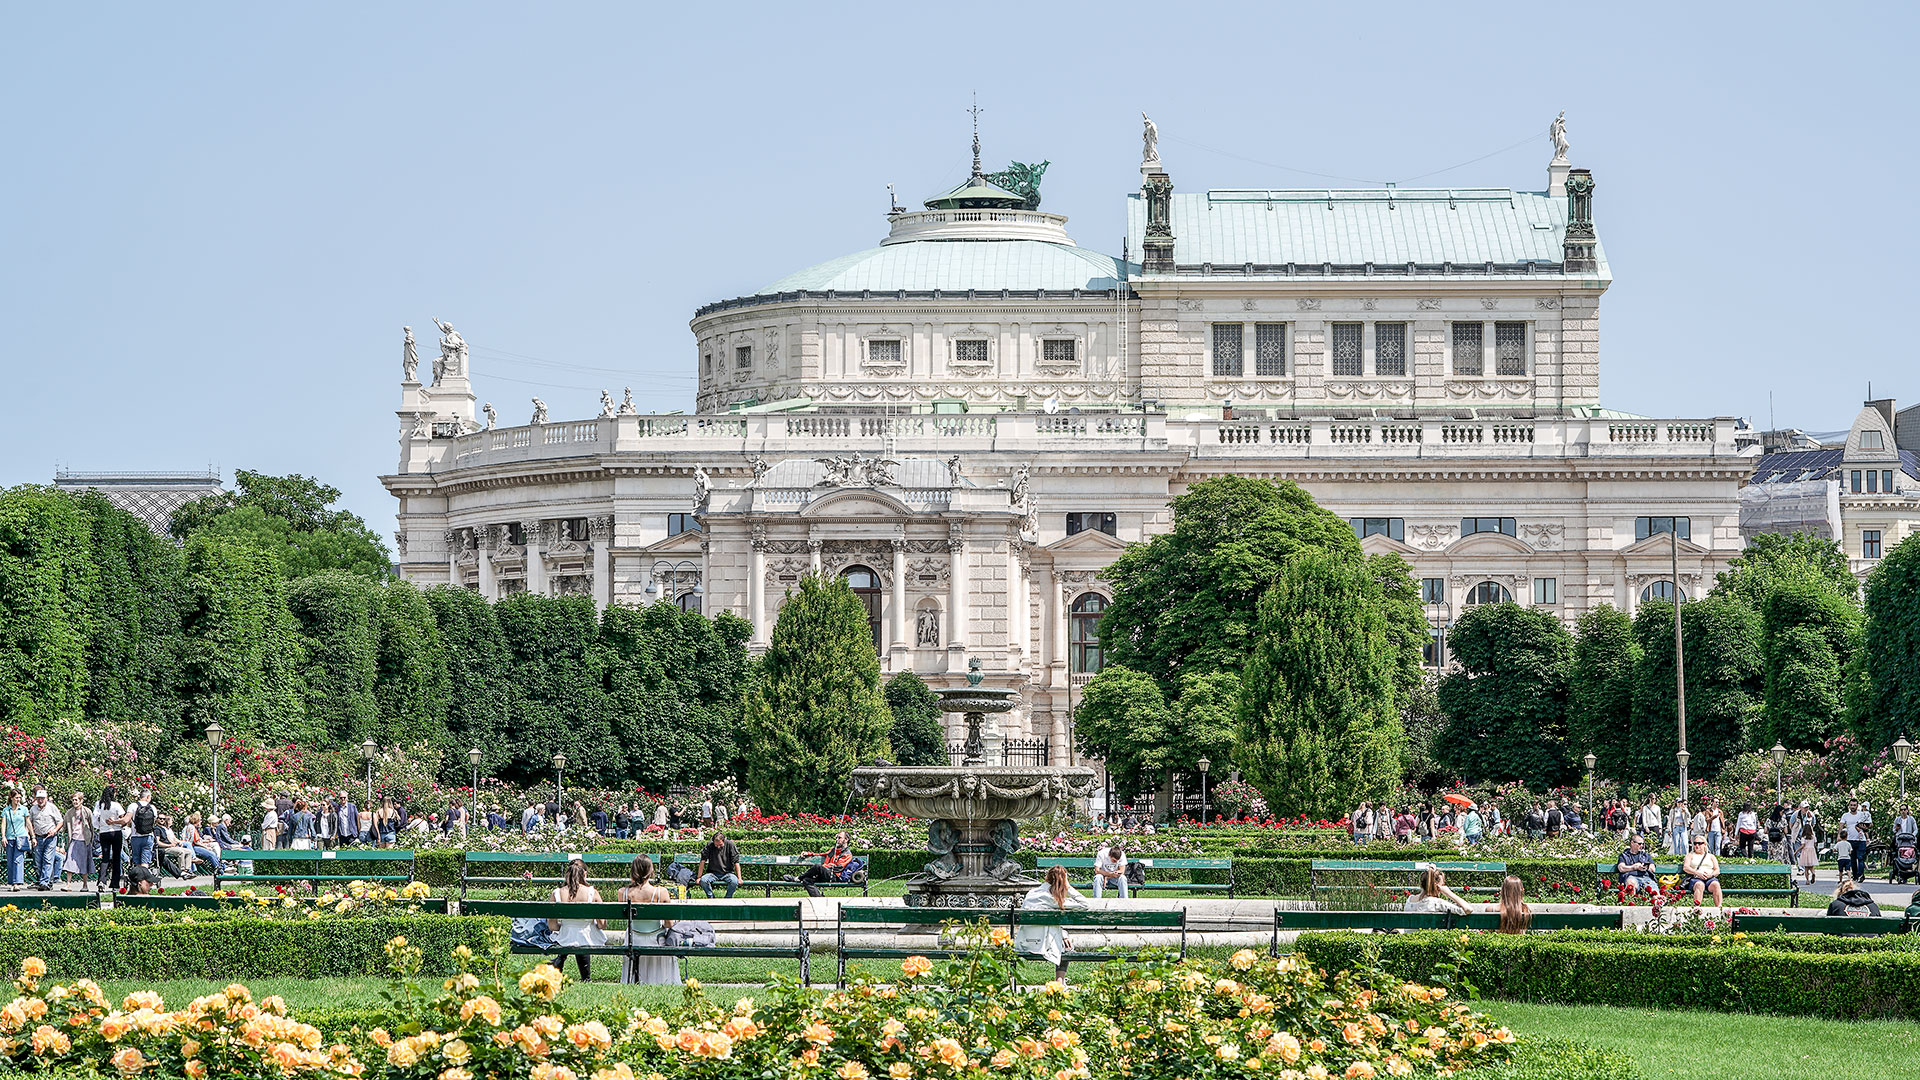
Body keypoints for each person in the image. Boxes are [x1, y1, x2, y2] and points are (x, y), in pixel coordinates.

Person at [1017, 865, 1088, 979]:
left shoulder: (1031, 893)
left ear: (1047, 877)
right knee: (1068, 948)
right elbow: (1085, 904)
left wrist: (1063, 935)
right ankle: (1059, 981)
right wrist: (1068, 887)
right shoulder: (1054, 899)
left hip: (1024, 943)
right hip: (1041, 945)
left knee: (1062, 938)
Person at [618, 855, 678, 984]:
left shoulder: (622, 893)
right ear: (651, 872)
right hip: (655, 940)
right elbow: (669, 924)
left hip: (633, 938)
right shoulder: (661, 892)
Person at [547, 858, 607, 981]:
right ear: (584, 874)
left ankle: (560, 959)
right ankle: (586, 977)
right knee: (581, 937)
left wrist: (565, 925)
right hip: (587, 937)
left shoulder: (557, 893)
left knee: (571, 936)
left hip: (565, 936)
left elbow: (552, 926)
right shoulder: (592, 892)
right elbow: (602, 924)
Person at [796, 831, 857, 898]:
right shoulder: (833, 850)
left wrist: (823, 867)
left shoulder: (847, 854)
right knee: (807, 880)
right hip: (826, 875)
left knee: (818, 866)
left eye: (839, 838)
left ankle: (799, 878)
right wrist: (808, 854)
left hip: (834, 877)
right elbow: (822, 854)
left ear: (846, 840)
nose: (837, 840)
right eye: (836, 837)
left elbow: (838, 867)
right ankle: (819, 899)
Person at [94, 787, 127, 893]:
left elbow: (95, 817)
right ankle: (115, 883)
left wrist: (100, 825)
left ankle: (102, 881)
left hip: (103, 832)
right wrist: (115, 822)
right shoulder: (116, 805)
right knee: (116, 858)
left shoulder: (99, 804)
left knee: (105, 858)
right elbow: (123, 820)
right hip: (116, 831)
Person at [27, 789, 62, 891]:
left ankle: (44, 882)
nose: (40, 800)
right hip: (38, 837)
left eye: (42, 798)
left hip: (50, 837)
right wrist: (30, 835)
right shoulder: (33, 809)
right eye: (38, 799)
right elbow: (29, 823)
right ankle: (46, 881)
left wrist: (55, 830)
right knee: (38, 861)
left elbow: (60, 821)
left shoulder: (52, 808)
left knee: (48, 859)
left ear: (46, 798)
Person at [1403, 866, 1470, 916]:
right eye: (1442, 885)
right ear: (1438, 886)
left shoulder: (1409, 900)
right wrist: (1449, 893)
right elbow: (1468, 909)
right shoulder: (1436, 903)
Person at [63, 792, 93, 888]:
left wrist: (91, 839)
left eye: (76, 800)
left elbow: (92, 825)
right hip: (74, 838)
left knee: (84, 862)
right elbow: (64, 825)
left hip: (84, 839)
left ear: (81, 800)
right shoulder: (69, 812)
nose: (74, 802)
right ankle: (68, 884)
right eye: (73, 800)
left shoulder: (87, 811)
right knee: (69, 861)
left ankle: (85, 884)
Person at [697, 830, 740, 899]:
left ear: (724, 841)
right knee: (703, 880)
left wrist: (739, 878)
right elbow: (703, 861)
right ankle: (711, 898)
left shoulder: (730, 845)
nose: (718, 847)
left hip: (727, 873)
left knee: (734, 882)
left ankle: (727, 899)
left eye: (720, 845)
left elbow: (736, 862)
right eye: (716, 845)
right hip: (713, 873)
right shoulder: (709, 845)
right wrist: (699, 877)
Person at [1683, 835, 1723, 907]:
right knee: (1700, 885)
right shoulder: (1690, 855)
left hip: (1709, 878)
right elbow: (1686, 867)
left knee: (1716, 885)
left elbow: (1717, 870)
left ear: (1704, 844)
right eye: (1695, 843)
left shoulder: (1711, 856)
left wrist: (1711, 875)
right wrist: (1697, 873)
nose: (1697, 845)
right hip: (1696, 878)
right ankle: (1697, 908)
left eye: (1699, 843)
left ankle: (1719, 907)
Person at [1839, 800, 1872, 883]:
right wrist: (1839, 836)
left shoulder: (1862, 814)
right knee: (1852, 859)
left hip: (1861, 840)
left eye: (1854, 805)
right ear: (1849, 806)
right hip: (1850, 839)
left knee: (1860, 858)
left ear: (1857, 806)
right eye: (1851, 805)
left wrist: (1865, 827)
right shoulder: (1845, 815)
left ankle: (1861, 874)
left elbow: (1870, 824)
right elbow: (1841, 826)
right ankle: (1855, 875)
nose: (1853, 807)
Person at [4, 791, 30, 888]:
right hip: (10, 837)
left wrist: (32, 835)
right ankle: (11, 882)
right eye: (16, 798)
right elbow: (4, 824)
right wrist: (3, 836)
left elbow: (28, 822)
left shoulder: (23, 809)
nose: (18, 800)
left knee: (18, 860)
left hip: (21, 837)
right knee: (10, 860)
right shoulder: (6, 810)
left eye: (19, 797)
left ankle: (17, 883)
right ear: (11, 798)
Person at [127, 788, 158, 871]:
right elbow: (154, 821)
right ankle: (144, 879)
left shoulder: (133, 806)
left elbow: (128, 820)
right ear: (148, 796)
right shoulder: (152, 807)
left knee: (136, 860)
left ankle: (138, 879)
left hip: (135, 836)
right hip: (148, 836)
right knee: (145, 860)